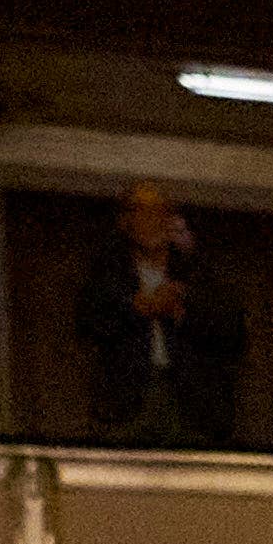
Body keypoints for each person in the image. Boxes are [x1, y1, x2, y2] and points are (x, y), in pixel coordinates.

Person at [69, 181, 246, 449]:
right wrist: (136, 309)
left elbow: (233, 333)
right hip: (127, 403)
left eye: (161, 212)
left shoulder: (196, 272)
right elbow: (87, 324)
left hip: (192, 404)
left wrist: (181, 308)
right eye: (142, 212)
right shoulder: (109, 271)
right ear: (126, 221)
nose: (153, 220)